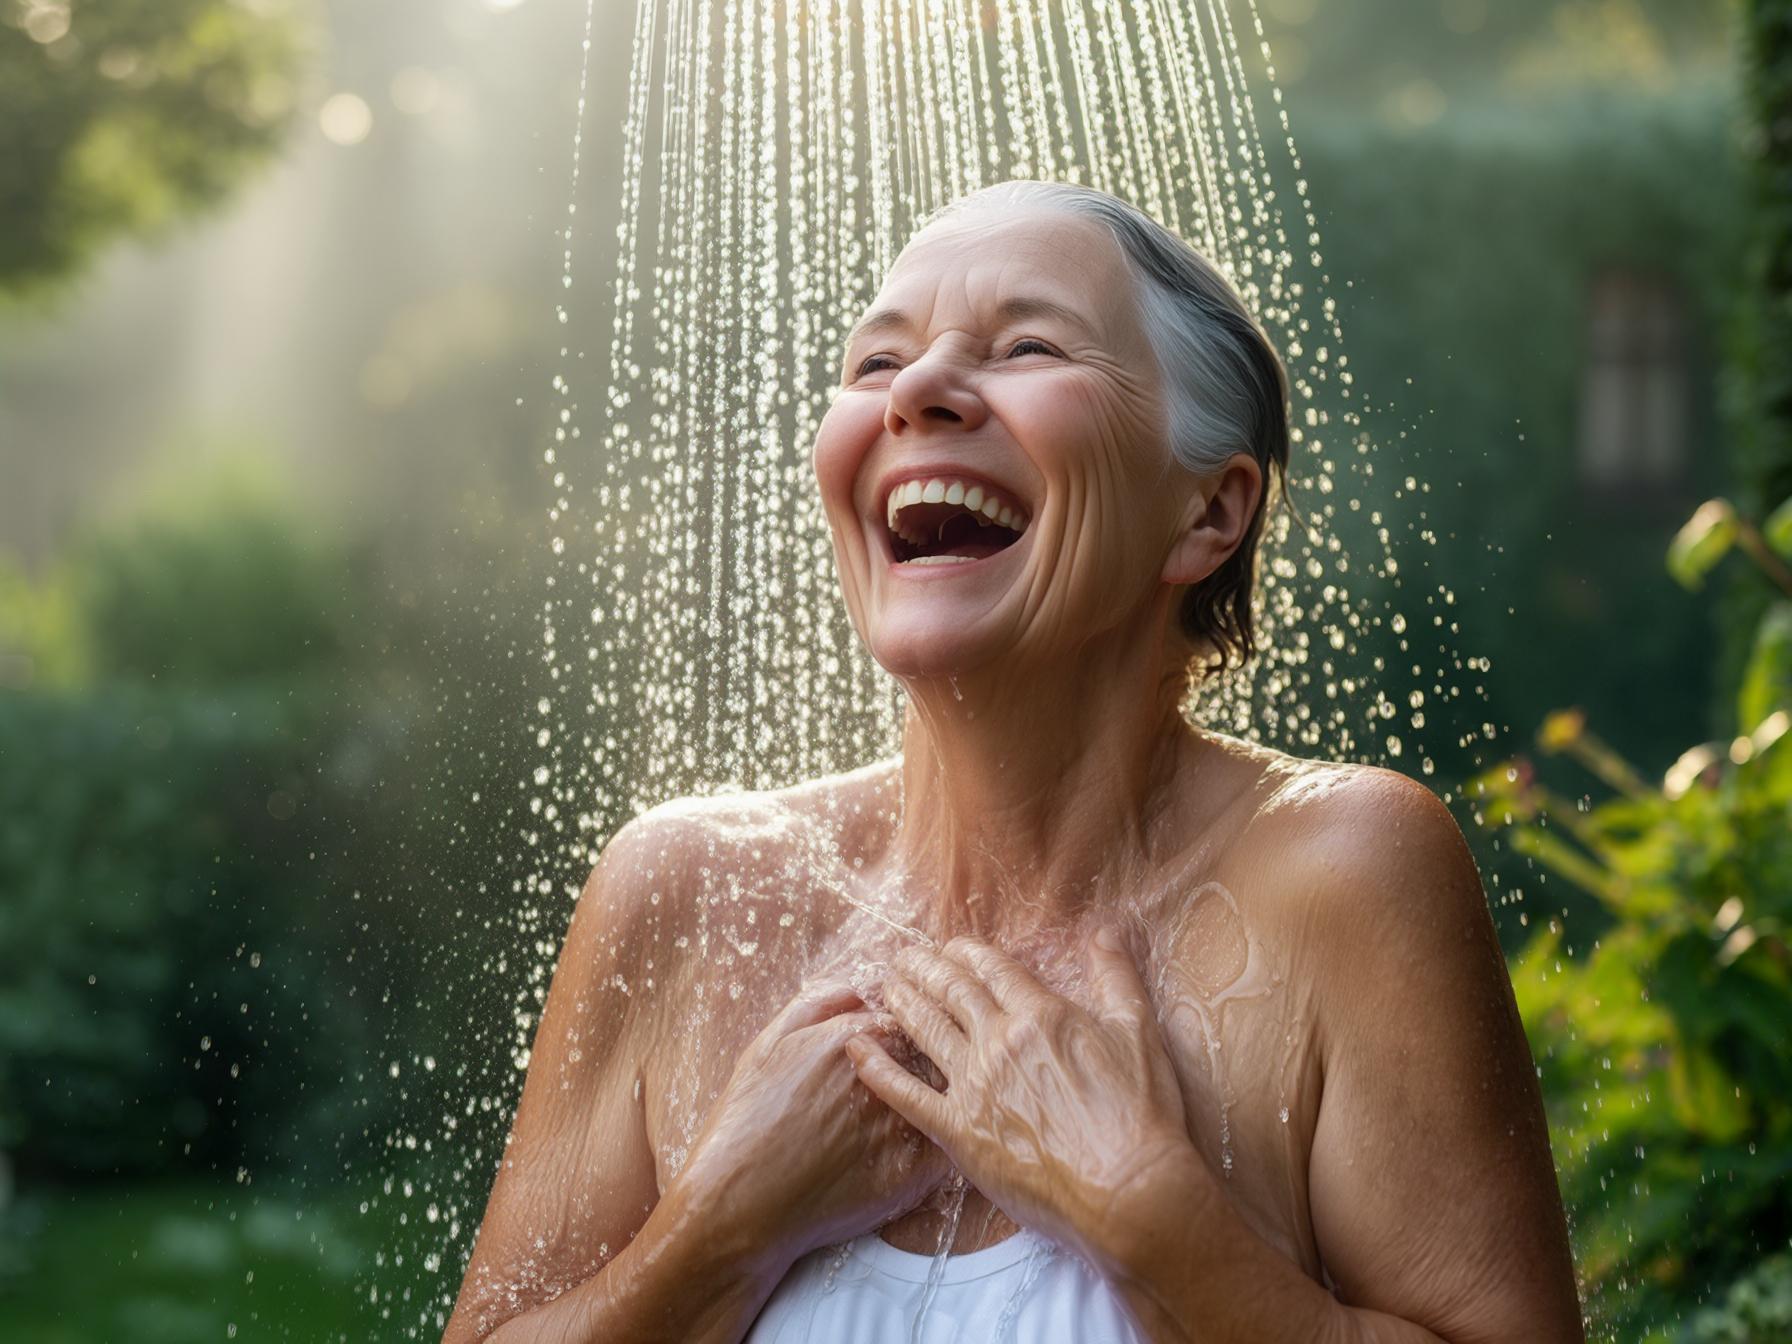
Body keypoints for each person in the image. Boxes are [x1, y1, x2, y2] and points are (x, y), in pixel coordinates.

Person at [443, 180, 1584, 1343]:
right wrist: (717, 1232)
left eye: (1029, 345)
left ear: (1208, 513)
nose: (921, 390)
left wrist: (1148, 1217)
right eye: (875, 363)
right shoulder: (682, 889)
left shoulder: (1345, 872)